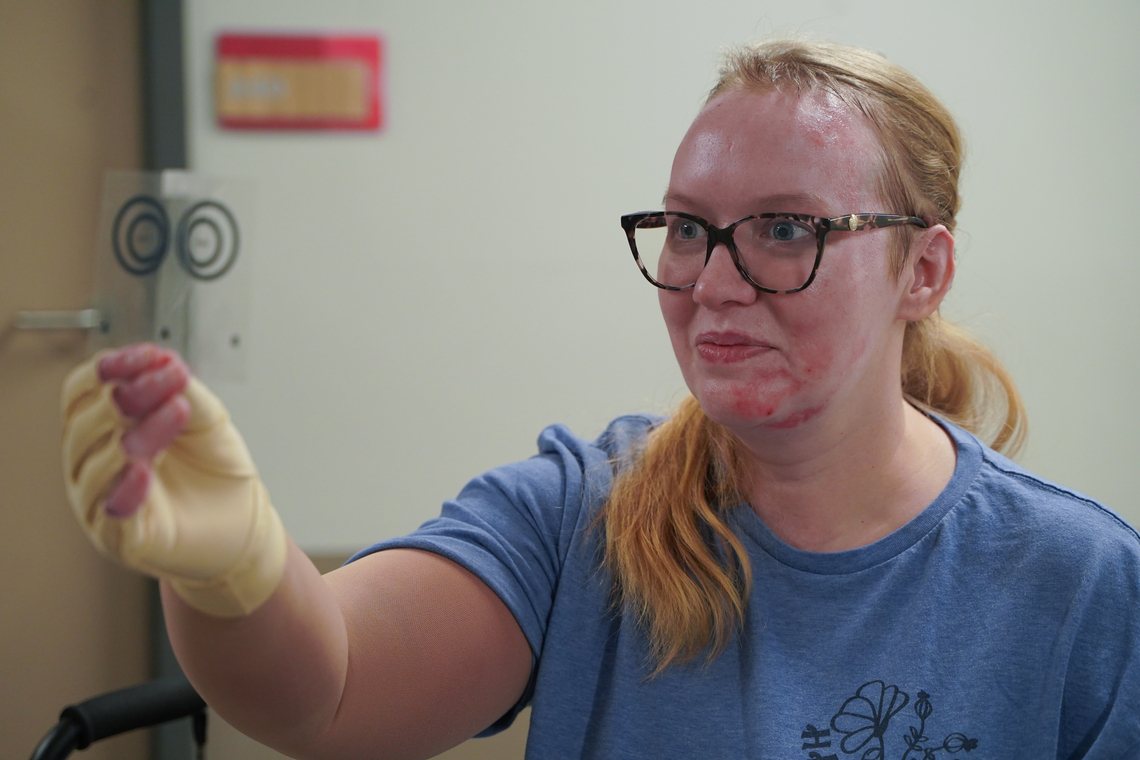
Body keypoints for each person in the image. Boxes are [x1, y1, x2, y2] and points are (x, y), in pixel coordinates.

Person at [61, 39, 1140, 759]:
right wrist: (230, 569)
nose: (713, 281)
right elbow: (326, 691)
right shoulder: (581, 514)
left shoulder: (1078, 581)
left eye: (784, 228)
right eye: (685, 226)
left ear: (924, 272)